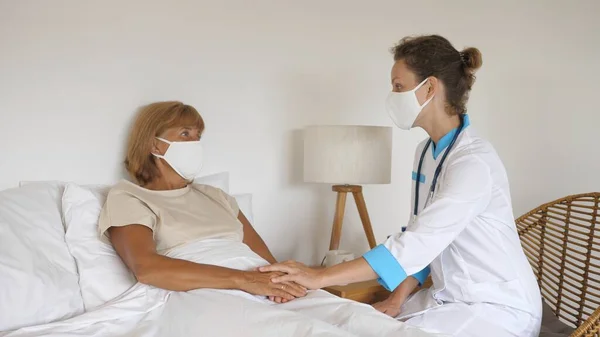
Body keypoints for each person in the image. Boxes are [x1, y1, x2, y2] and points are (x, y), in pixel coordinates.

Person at [260, 35, 542, 337]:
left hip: (496, 308)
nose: (392, 95)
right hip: (450, 298)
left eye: (398, 86)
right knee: (350, 321)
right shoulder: (425, 153)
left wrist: (320, 276)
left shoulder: (473, 164)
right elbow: (421, 243)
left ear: (430, 88)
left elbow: (415, 245)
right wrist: (395, 301)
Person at [98, 101, 306, 303]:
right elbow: (147, 268)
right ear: (155, 145)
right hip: (206, 294)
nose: (195, 143)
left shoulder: (217, 197)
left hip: (263, 290)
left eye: (198, 136)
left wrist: (281, 287)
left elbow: (268, 264)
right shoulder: (129, 197)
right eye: (185, 133)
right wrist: (244, 280)